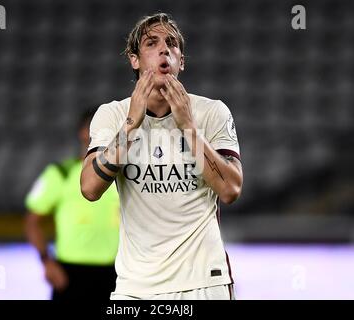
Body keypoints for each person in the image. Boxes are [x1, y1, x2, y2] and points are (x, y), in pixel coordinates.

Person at [81, 13, 243, 300]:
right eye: (151, 43)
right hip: (136, 286)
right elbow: (90, 188)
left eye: (172, 44)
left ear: (181, 61)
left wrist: (190, 129)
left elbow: (230, 190)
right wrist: (132, 123)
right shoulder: (112, 115)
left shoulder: (212, 112)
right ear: (134, 59)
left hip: (203, 281)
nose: (164, 49)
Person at [24, 109, 120, 301]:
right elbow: (32, 222)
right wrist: (46, 261)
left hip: (117, 272)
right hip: (70, 273)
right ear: (82, 132)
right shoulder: (60, 174)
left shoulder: (126, 176)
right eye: (94, 127)